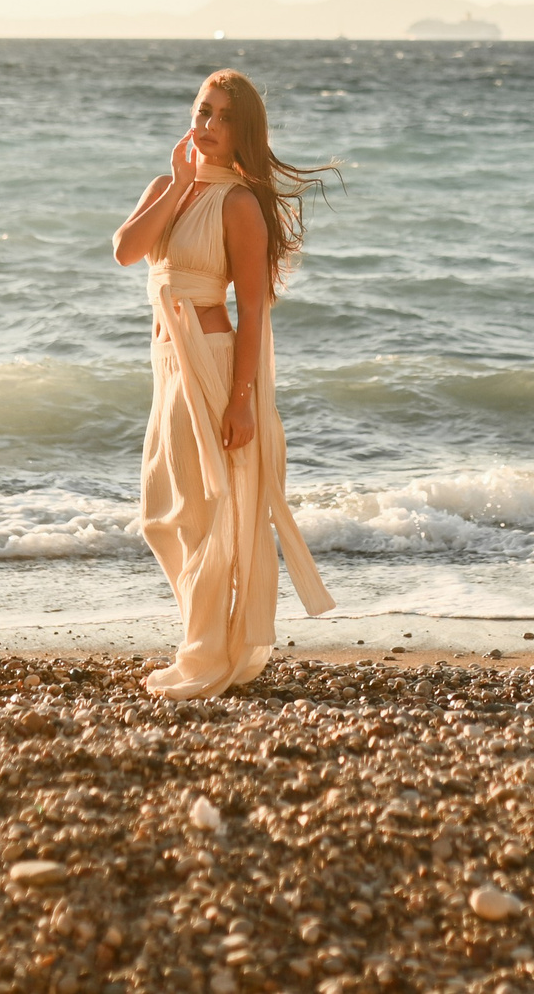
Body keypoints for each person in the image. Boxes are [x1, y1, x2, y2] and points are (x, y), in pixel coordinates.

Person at [111, 69, 336, 698]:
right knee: (161, 515)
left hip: (210, 360)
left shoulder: (238, 204)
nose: (208, 125)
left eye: (223, 118)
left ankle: (205, 655)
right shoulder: (167, 187)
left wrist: (243, 402)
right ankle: (204, 642)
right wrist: (180, 183)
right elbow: (126, 250)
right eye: (202, 111)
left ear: (243, 133)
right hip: (166, 364)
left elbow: (254, 311)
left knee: (203, 513)